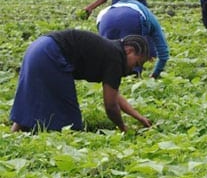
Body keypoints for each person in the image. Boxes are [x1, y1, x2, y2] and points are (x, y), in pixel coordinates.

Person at [10, 29, 152, 132]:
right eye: (138, 63)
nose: (136, 68)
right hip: (51, 54)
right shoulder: (116, 59)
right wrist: (122, 127)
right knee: (69, 123)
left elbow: (114, 96)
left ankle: (14, 134)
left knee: (31, 94)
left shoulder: (113, 51)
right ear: (129, 50)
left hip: (38, 47)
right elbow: (110, 105)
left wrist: (138, 117)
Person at [96, 0, 170, 78]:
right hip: (132, 18)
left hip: (104, 18)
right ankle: (134, 75)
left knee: (109, 57)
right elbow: (163, 53)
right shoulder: (152, 21)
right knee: (134, 61)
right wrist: (155, 74)